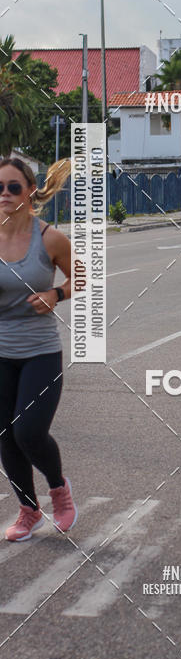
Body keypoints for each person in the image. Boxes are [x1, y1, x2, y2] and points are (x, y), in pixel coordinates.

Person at [0, 157, 77, 542]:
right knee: (5, 435)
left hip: (40, 351)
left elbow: (83, 274)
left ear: (30, 191)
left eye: (13, 187)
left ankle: (60, 493)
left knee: (28, 431)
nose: (5, 194)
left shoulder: (49, 238)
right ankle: (28, 510)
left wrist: (55, 293)